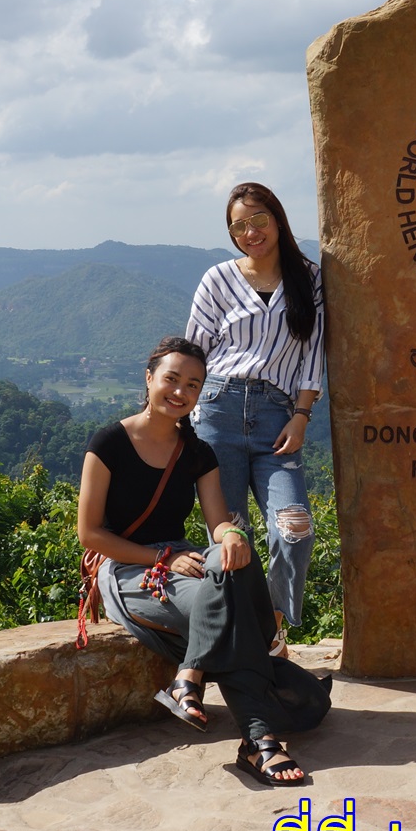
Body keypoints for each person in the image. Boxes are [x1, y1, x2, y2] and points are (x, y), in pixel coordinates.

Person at [78, 335, 330, 786]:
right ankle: (259, 738)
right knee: (235, 608)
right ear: (149, 378)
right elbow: (91, 534)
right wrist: (162, 556)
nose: (180, 392)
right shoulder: (110, 443)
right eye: (171, 380)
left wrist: (232, 533)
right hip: (129, 569)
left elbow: (218, 524)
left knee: (236, 554)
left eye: (193, 385)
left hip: (186, 561)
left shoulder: (198, 452)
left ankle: (190, 675)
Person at [185, 182, 325, 658]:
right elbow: (194, 354)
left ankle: (274, 625)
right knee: (232, 538)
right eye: (239, 225)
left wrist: (302, 414)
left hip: (277, 418)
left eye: (258, 219)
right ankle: (250, 642)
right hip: (217, 412)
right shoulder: (218, 279)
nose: (251, 232)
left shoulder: (309, 278)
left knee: (295, 528)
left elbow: (313, 354)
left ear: (278, 219)